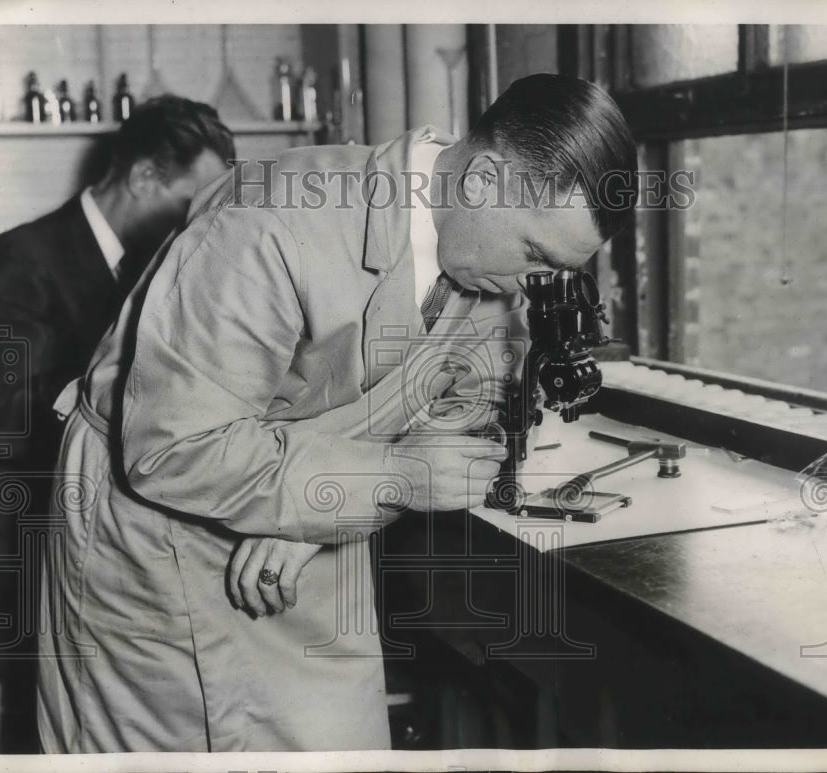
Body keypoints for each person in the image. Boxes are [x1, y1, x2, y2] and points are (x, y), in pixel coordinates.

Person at [37, 73, 638, 753]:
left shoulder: (480, 265)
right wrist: (389, 480)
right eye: (534, 255)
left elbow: (465, 416)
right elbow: (172, 448)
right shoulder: (274, 224)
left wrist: (313, 522)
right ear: (483, 181)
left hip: (301, 535)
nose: (531, 288)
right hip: (153, 543)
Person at [0, 95, 234, 752]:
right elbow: (6, 431)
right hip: (27, 548)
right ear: (143, 176)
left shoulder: (153, 267)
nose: (201, 223)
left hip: (103, 535)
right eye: (192, 201)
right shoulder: (19, 262)